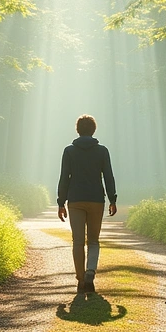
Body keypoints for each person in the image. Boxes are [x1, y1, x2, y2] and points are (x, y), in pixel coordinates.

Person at [57, 114, 117, 296]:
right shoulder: (102, 151)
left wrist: (61, 202)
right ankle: (91, 271)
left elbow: (64, 178)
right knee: (93, 240)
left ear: (78, 130)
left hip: (75, 200)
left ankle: (81, 280)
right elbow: (108, 176)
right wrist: (113, 199)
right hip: (96, 200)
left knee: (77, 241)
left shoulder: (69, 151)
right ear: (93, 130)